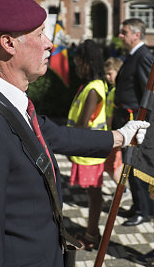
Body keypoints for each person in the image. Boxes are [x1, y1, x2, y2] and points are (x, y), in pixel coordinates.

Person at [0, 0, 150, 267]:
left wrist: (120, 136)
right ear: (8, 43)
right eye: (40, 35)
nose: (50, 44)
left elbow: (56, 135)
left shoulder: (8, 100)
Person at [66, 39, 108, 250]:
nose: (76, 67)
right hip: (89, 150)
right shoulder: (90, 85)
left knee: (94, 194)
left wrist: (68, 143)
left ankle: (92, 235)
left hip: (90, 152)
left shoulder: (93, 88)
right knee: (93, 194)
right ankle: (93, 231)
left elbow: (83, 124)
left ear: (88, 63)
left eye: (78, 63)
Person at [114, 18, 154, 226]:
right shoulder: (132, 55)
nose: (121, 35)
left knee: (133, 166)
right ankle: (138, 205)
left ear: (136, 35)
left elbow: (147, 94)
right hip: (125, 119)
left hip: (134, 122)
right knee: (128, 166)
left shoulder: (144, 56)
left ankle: (144, 210)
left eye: (124, 32)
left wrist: (143, 124)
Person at [103, 57, 124, 185]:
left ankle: (123, 190)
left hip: (113, 133)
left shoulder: (116, 92)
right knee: (110, 165)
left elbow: (110, 115)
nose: (107, 77)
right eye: (106, 73)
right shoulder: (112, 90)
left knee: (116, 165)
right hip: (111, 132)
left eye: (110, 73)